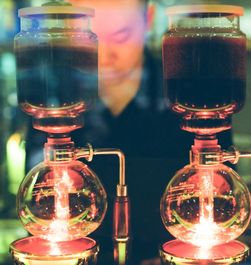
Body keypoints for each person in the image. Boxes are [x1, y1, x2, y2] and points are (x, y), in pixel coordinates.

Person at [25, 0, 232, 264]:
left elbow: (225, 199)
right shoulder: (52, 98)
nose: (105, 53)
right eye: (88, 36)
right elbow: (34, 198)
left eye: (121, 37)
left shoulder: (194, 94)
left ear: (149, 18)